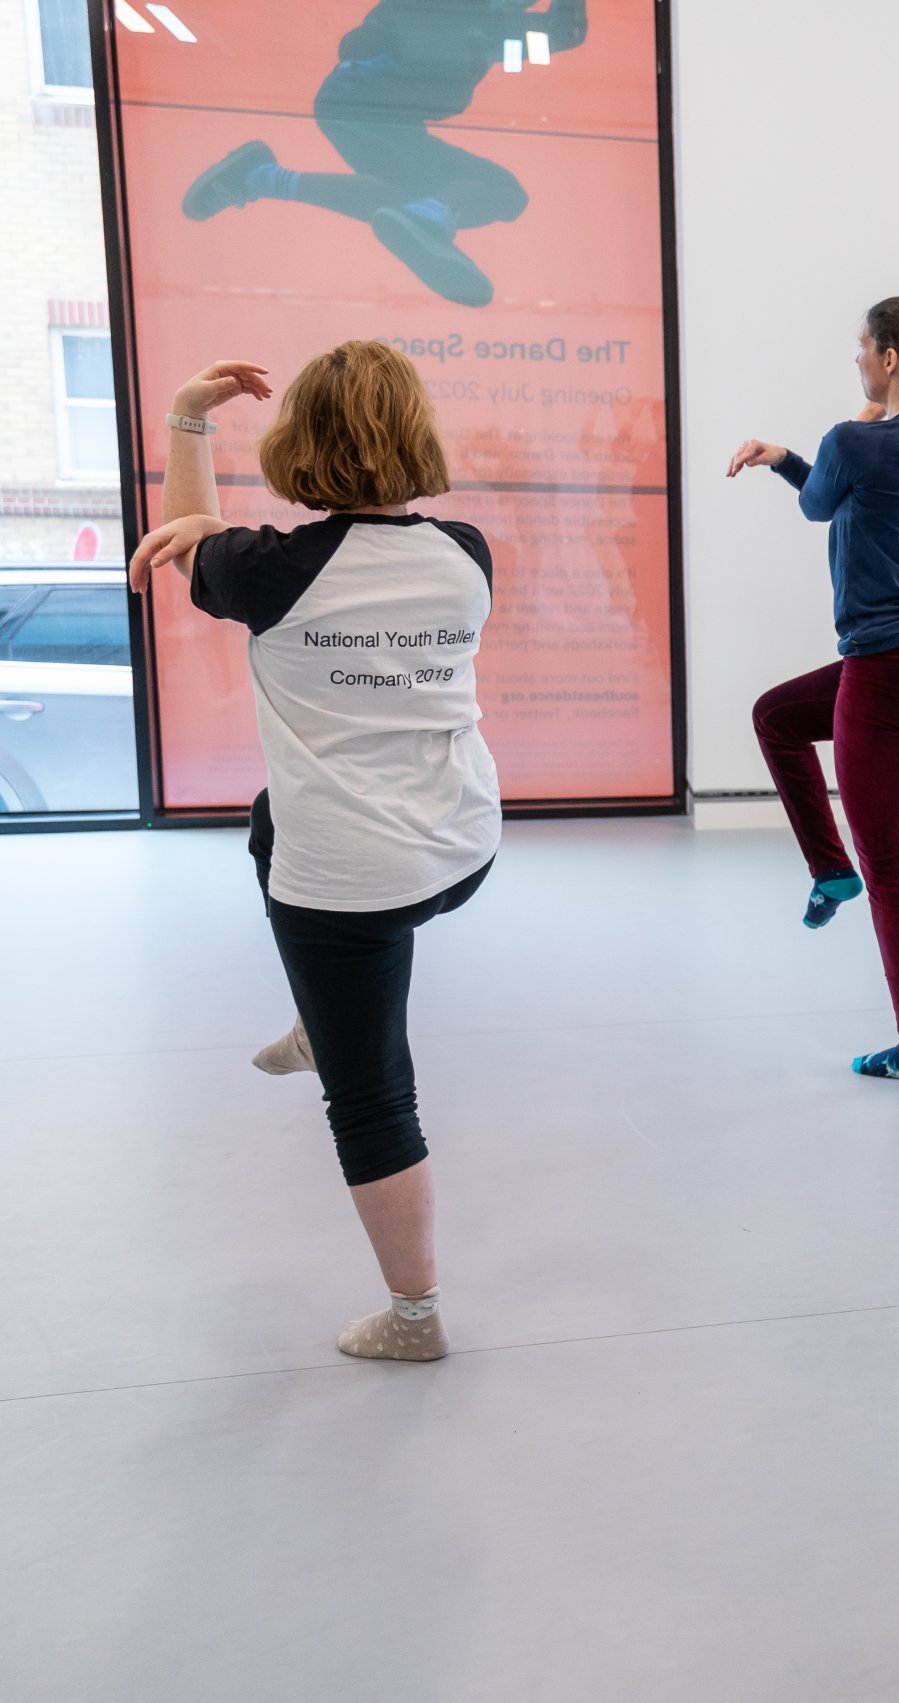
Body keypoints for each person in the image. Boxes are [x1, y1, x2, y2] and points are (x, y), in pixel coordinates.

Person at [127, 341, 501, 1362]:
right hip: (463, 846)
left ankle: (414, 1318)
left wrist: (189, 420)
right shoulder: (467, 552)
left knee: (372, 1094)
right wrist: (212, 532)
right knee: (270, 814)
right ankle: (316, 1014)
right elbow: (211, 542)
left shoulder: (269, 569)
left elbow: (185, 541)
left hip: (349, 883)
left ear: (301, 445)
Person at [728, 299, 899, 1082]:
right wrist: (787, 455)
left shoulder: (855, 439)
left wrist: (839, 431)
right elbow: (846, 493)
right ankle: (828, 867)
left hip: (890, 675)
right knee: (776, 716)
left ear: (890, 357)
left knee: (894, 874)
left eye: (864, 346)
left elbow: (818, 504)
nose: (857, 358)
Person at [179, 0, 589, 308]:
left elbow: (563, 32)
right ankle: (426, 215)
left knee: (501, 192)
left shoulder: (499, 26)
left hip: (381, 113)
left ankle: (264, 178)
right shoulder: (464, 13)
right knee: (474, 190)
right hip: (359, 103)